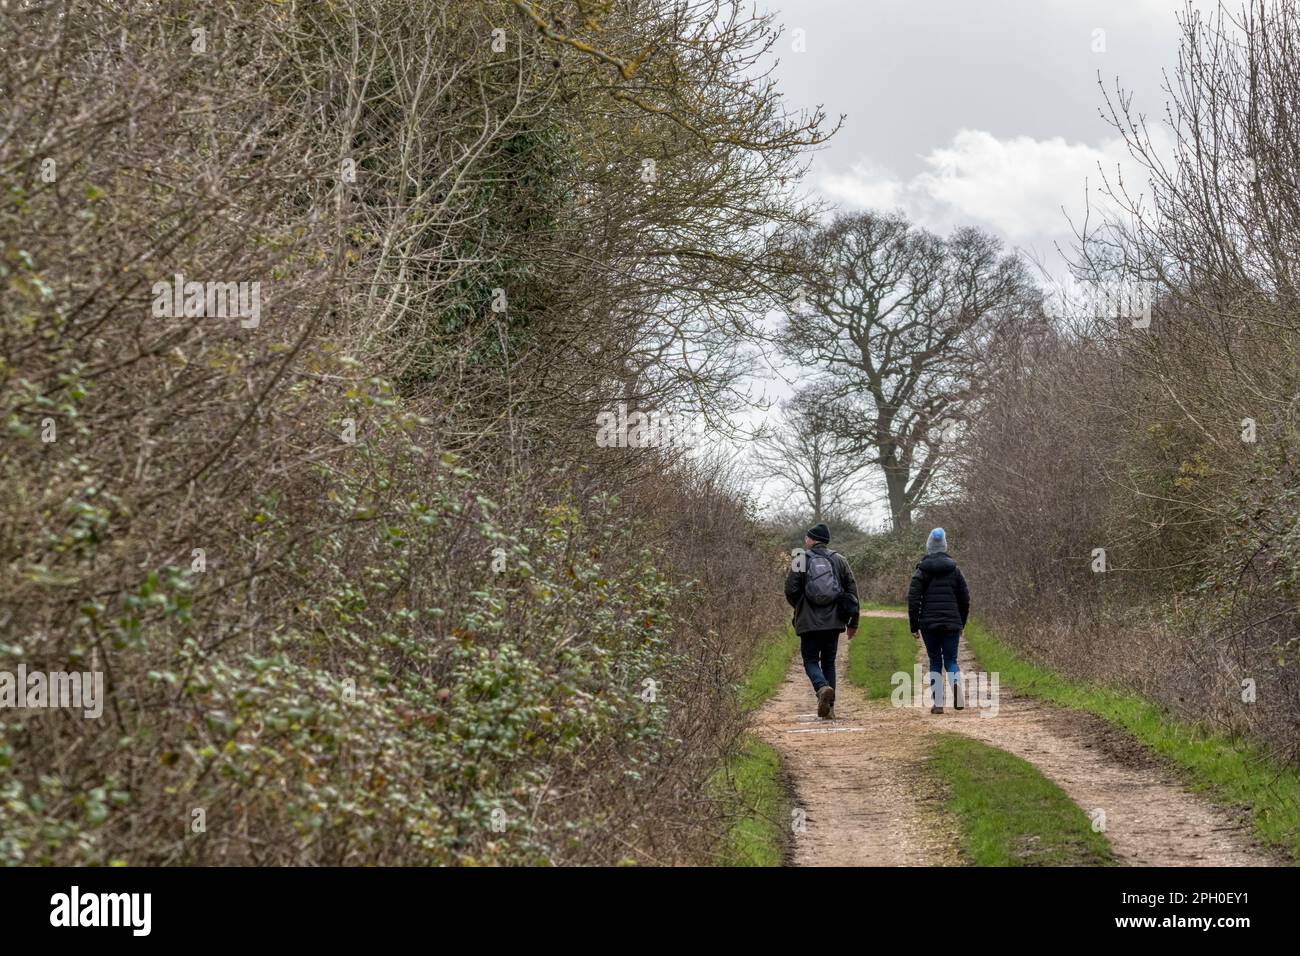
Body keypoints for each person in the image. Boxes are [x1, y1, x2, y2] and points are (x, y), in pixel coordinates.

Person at [784, 522, 860, 719]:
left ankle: (821, 688)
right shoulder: (840, 560)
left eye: (807, 538)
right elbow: (852, 593)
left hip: (808, 621)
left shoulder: (800, 558)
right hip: (834, 621)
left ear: (813, 540)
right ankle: (830, 708)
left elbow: (790, 589)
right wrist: (853, 622)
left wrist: (800, 606)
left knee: (810, 660)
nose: (805, 541)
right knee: (829, 662)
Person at [907, 527, 970, 714]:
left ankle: (939, 703)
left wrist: (914, 625)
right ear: (944, 545)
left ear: (928, 546)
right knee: (951, 660)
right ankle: (956, 683)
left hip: (929, 624)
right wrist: (961, 623)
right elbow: (965, 598)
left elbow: (913, 599)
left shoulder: (921, 570)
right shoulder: (955, 570)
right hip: (951, 622)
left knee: (935, 660)